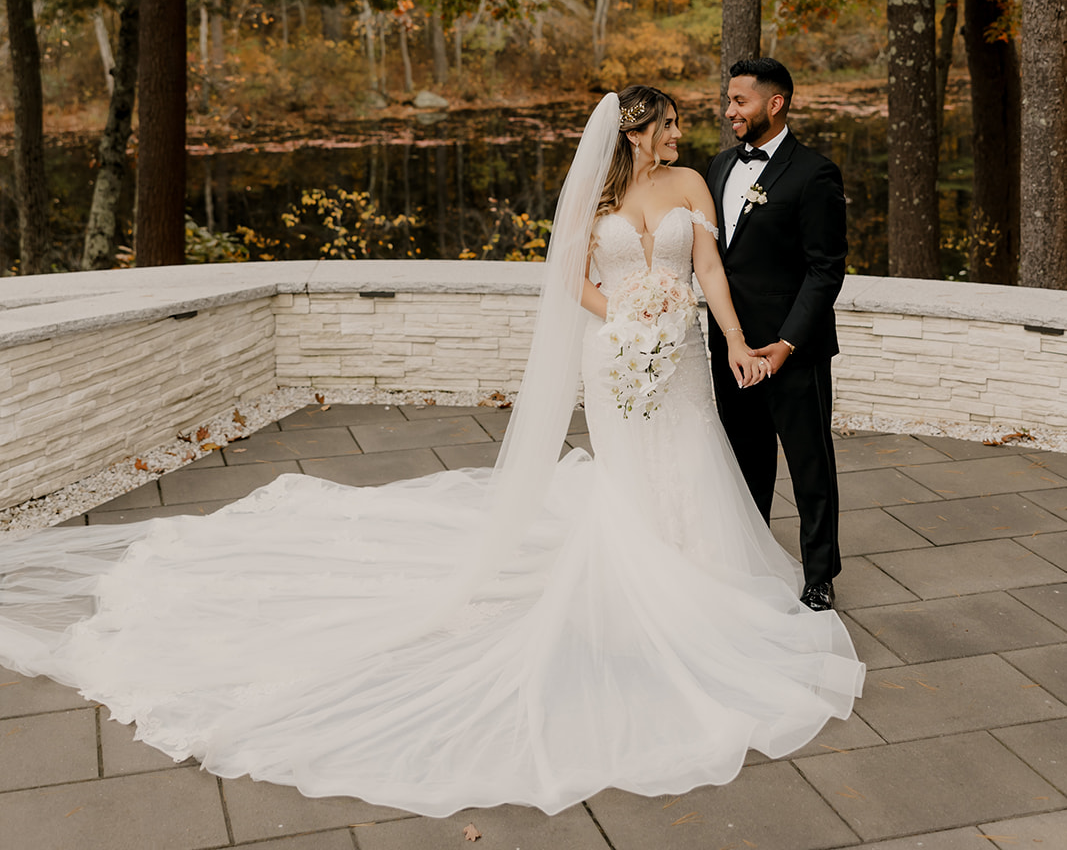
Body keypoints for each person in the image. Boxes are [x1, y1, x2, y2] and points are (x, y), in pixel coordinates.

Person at [0, 86, 862, 817]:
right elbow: (573, 281)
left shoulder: (692, 184)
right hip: (618, 356)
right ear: (636, 131)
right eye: (667, 124)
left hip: (677, 361)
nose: (681, 134)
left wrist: (738, 343)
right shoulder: (593, 199)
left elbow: (706, 272)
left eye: (682, 123)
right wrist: (626, 321)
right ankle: (637, 586)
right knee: (634, 474)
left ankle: (696, 577)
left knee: (690, 456)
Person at [705, 58, 848, 611]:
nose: (729, 111)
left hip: (795, 349)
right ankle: (753, 557)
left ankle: (819, 572)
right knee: (745, 458)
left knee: (809, 461)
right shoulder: (717, 166)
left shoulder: (815, 174)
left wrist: (786, 344)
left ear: (775, 103)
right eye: (729, 100)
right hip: (732, 345)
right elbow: (716, 260)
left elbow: (825, 270)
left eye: (740, 101)